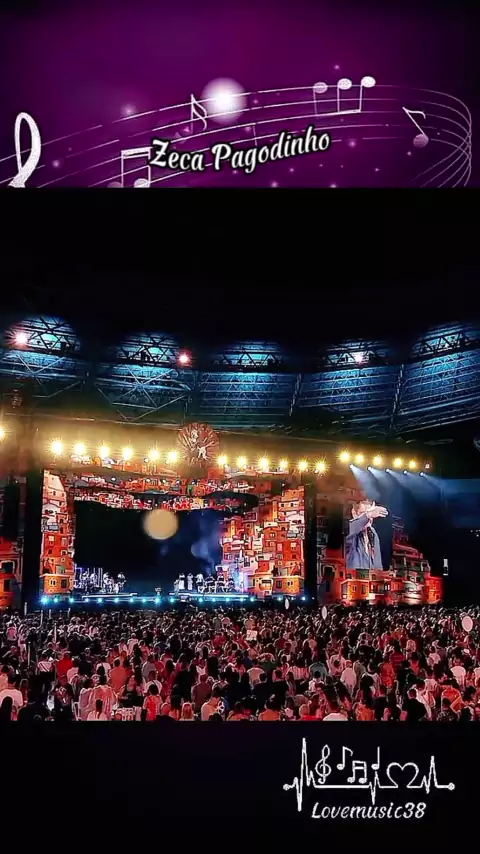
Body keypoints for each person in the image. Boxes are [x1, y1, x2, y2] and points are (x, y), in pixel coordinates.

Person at [345, 500, 388, 570]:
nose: (369, 519)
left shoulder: (373, 533)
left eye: (372, 514)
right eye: (363, 513)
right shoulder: (348, 529)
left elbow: (378, 565)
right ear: (354, 513)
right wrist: (368, 515)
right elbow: (351, 529)